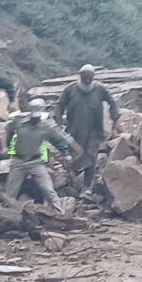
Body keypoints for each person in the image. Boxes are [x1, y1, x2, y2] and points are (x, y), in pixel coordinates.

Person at [55, 64, 121, 200]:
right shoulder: (71, 89)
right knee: (74, 156)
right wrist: (59, 122)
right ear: (80, 76)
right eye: (85, 78)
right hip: (74, 129)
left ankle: (87, 188)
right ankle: (71, 182)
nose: (87, 80)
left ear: (93, 77)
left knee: (91, 156)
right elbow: (60, 105)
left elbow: (112, 102)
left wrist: (115, 120)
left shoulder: (100, 89)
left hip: (94, 131)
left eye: (89, 78)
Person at [3, 99, 75, 212]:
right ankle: (4, 213)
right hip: (18, 161)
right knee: (10, 192)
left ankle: (59, 213)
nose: (35, 119)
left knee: (48, 190)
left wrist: (66, 154)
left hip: (35, 162)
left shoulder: (46, 126)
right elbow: (7, 130)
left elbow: (57, 140)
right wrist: (4, 146)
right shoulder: (19, 121)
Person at [7, 94, 51, 165]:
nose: (20, 105)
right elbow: (8, 131)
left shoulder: (42, 117)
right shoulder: (16, 117)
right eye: (19, 102)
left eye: (22, 102)